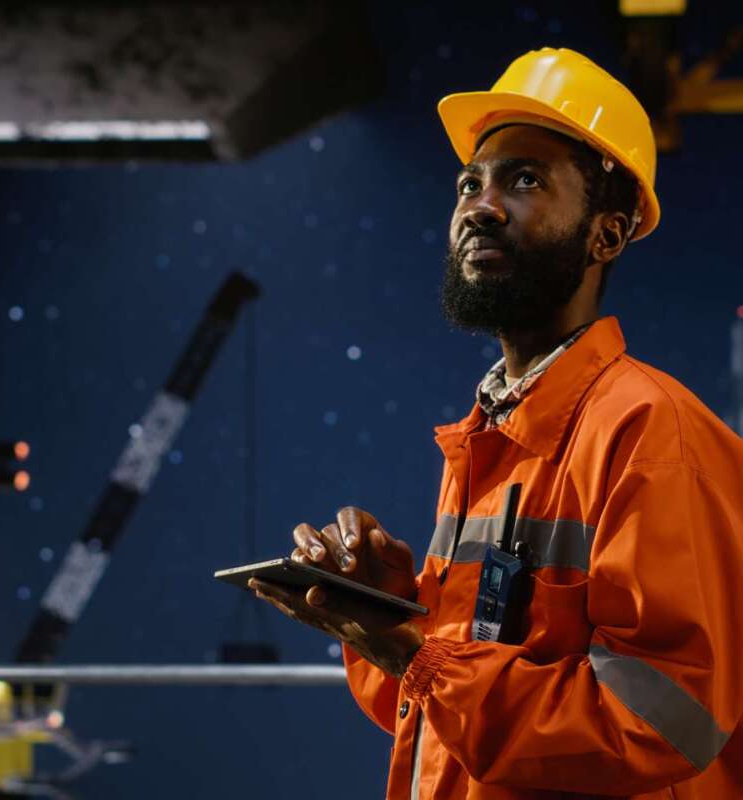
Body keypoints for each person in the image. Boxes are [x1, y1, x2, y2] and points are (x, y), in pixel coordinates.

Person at [249, 47, 743, 799]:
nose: (479, 206)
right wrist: (390, 618)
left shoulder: (652, 433)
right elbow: (443, 721)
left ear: (607, 235)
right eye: (469, 184)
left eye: (525, 180)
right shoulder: (491, 437)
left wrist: (415, 653)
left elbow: (663, 723)